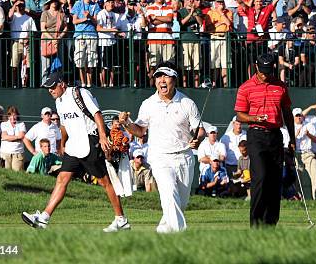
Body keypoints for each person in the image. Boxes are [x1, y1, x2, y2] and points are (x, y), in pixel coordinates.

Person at [22, 72, 130, 232]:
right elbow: (64, 125)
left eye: (52, 87)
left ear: (62, 84)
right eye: (48, 88)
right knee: (62, 178)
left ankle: (121, 220)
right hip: (74, 145)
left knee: (104, 181)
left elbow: (97, 114)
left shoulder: (80, 93)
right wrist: (63, 144)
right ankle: (44, 218)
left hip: (90, 141)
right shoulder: (58, 102)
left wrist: (102, 137)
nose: (50, 91)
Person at [119, 62, 204, 233]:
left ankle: (163, 230)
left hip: (184, 157)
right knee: (169, 192)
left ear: (174, 79)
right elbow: (140, 131)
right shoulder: (148, 103)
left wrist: (198, 140)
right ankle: (182, 234)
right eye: (158, 76)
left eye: (166, 76)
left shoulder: (187, 103)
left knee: (180, 202)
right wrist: (127, 124)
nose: (162, 80)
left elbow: (199, 130)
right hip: (159, 156)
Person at [235, 52, 295, 227]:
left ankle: (271, 223)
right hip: (256, 135)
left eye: (268, 71)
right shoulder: (246, 87)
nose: (265, 74)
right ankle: (256, 223)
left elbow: (287, 114)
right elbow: (239, 114)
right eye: (262, 71)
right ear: (256, 67)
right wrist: (254, 118)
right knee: (260, 177)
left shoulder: (281, 86)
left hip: (276, 135)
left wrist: (292, 138)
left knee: (275, 180)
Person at [294, 107, 316, 200]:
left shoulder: (309, 125)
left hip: (308, 153)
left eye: (300, 115)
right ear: (293, 117)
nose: (299, 117)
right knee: (297, 178)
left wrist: (308, 134)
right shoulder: (291, 127)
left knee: (315, 174)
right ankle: (298, 198)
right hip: (297, 154)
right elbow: (289, 143)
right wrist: (296, 135)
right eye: (297, 116)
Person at [0, 106, 26, 171]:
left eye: (14, 115)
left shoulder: (21, 124)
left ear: (17, 115)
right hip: (5, 153)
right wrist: (17, 137)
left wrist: (9, 138)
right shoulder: (3, 124)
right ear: (8, 116)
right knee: (5, 173)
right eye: (10, 115)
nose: (12, 117)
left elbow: (22, 136)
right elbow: (4, 136)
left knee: (18, 174)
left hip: (18, 153)